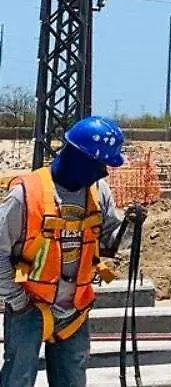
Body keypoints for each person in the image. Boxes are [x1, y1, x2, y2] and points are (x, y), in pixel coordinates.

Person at [0, 116, 131, 387]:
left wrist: (131, 226)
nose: (104, 173)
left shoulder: (99, 192)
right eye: (99, 165)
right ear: (78, 158)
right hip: (29, 305)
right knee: (17, 379)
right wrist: (16, 300)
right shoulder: (26, 194)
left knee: (72, 380)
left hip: (74, 310)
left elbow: (110, 242)